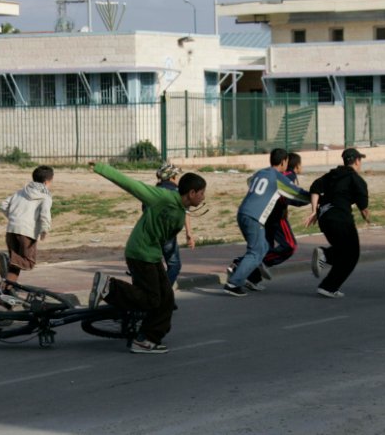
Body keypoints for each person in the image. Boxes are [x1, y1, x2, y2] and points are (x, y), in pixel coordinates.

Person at [87, 162, 207, 354]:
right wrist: (102, 168)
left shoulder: (180, 210)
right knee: (152, 299)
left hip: (151, 254)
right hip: (140, 252)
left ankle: (147, 339)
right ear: (192, 193)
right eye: (201, 193)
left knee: (166, 299)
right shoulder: (163, 197)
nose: (203, 197)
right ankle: (110, 287)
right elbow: (131, 184)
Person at [224, 148, 310, 297]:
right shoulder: (278, 177)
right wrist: (315, 197)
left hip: (242, 213)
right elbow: (297, 195)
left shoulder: (259, 173)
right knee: (256, 252)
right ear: (284, 162)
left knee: (263, 247)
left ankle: (246, 274)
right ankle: (233, 282)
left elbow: (249, 182)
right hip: (254, 217)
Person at [305, 148, 370, 299]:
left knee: (343, 251)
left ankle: (328, 285)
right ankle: (325, 259)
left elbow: (315, 188)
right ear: (357, 161)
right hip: (341, 219)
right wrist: (367, 217)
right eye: (360, 160)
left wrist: (314, 210)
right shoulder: (356, 179)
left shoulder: (331, 175)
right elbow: (363, 206)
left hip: (325, 218)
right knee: (352, 254)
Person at [243, 152, 308, 291]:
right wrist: (310, 199)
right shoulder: (289, 176)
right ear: (295, 165)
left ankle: (252, 278)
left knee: (266, 246)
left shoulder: (268, 173)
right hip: (277, 216)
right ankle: (247, 263)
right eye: (301, 164)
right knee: (290, 246)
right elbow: (290, 196)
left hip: (265, 215)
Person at [0, 165, 54, 288]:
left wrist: (13, 218)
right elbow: (45, 215)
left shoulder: (20, 191)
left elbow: (3, 205)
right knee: (29, 262)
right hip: (27, 232)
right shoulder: (45, 197)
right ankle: (8, 259)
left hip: (11, 230)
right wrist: (44, 229)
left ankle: (7, 289)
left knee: (16, 264)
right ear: (47, 182)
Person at [151, 163, 195, 287]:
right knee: (174, 265)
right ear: (172, 178)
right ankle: (163, 292)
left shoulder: (152, 191)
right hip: (167, 234)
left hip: (150, 233)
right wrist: (189, 233)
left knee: (153, 264)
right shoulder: (177, 193)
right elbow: (186, 212)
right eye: (176, 176)